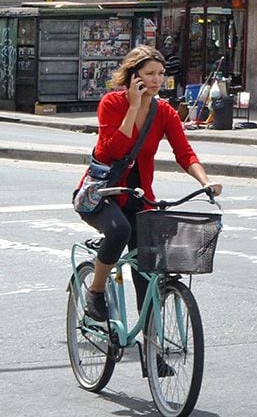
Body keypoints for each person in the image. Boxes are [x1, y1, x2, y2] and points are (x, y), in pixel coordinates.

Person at [80, 47, 220, 325]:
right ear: (134, 77)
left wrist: (205, 181)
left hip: (140, 198)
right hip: (102, 195)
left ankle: (152, 351)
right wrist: (133, 106)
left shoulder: (165, 112)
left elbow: (184, 153)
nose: (156, 80)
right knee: (120, 230)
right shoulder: (112, 104)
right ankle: (95, 292)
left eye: (160, 74)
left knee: (148, 271)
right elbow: (114, 151)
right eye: (149, 74)